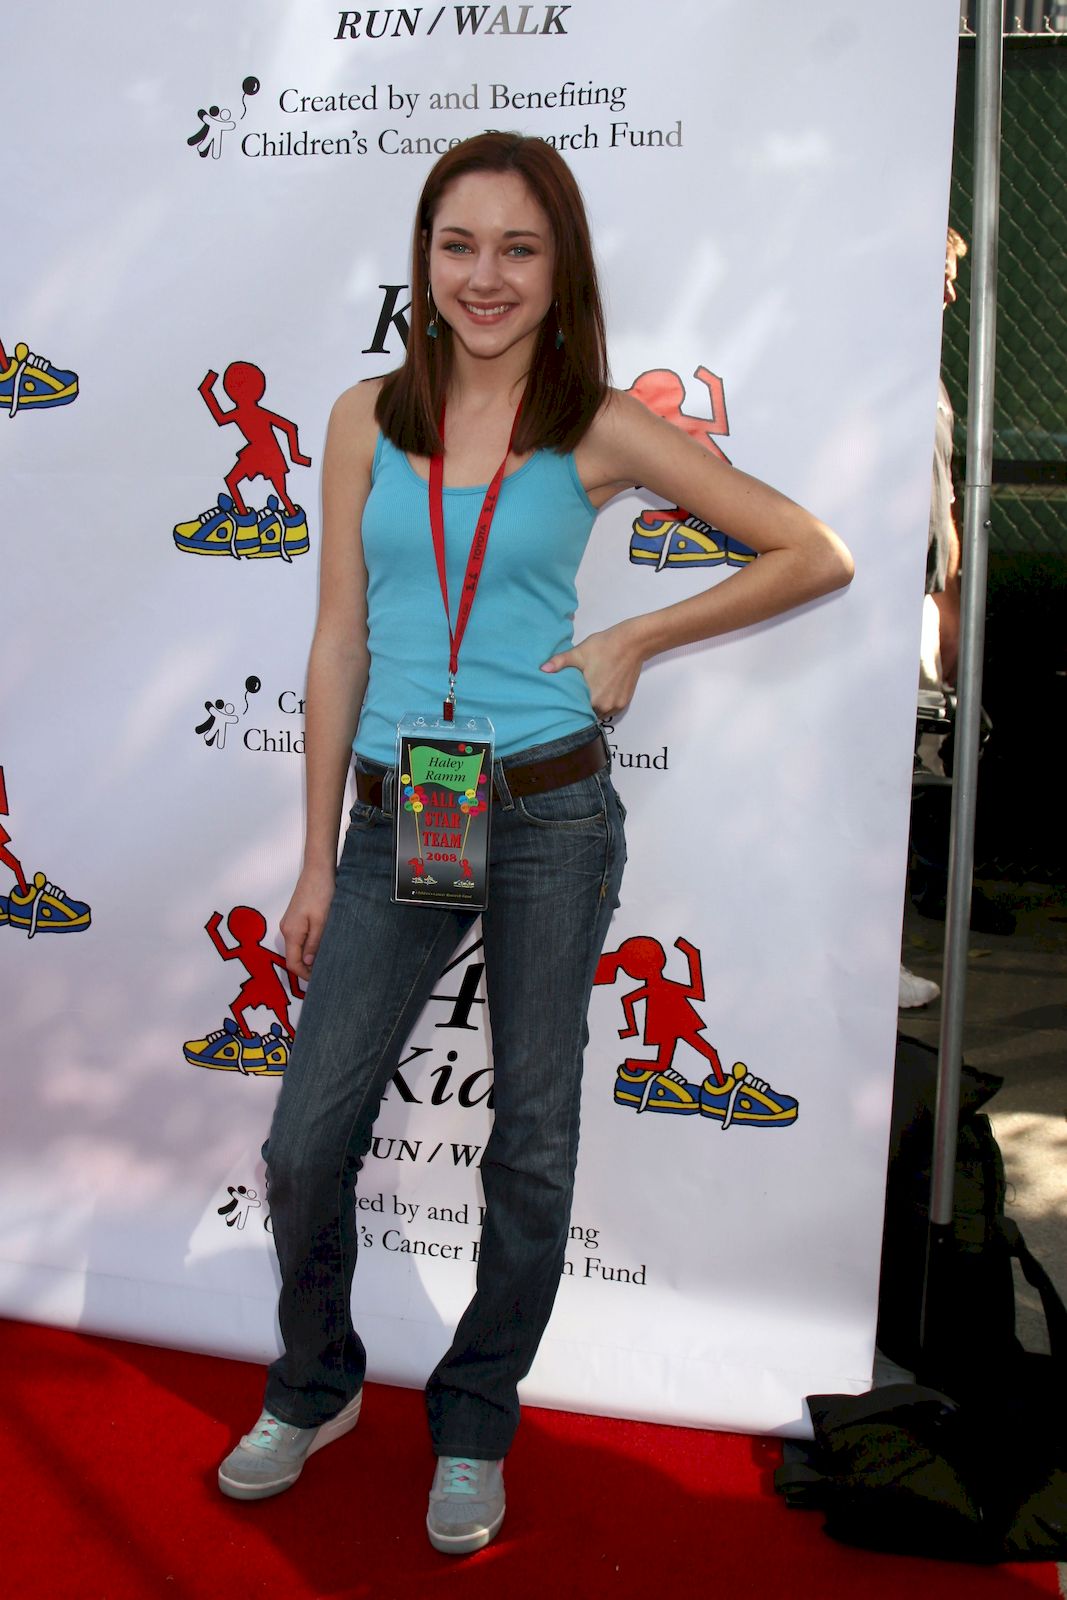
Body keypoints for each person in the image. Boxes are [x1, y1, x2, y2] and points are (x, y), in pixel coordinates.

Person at [216, 131, 853, 1552]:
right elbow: (338, 642)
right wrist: (316, 858)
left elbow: (814, 550)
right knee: (307, 1140)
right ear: (423, 261)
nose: (486, 275)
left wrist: (638, 634)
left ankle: (474, 1418)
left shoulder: (597, 424)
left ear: (560, 268)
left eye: (519, 247)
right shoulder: (361, 417)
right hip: (400, 813)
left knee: (534, 1140)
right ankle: (315, 1383)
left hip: (550, 811)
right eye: (459, 245)